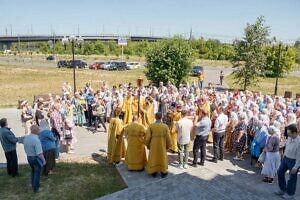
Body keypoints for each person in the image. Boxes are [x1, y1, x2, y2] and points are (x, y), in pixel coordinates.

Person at [275, 124, 300, 199]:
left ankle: (290, 193)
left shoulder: (299, 142)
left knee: (292, 178)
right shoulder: (289, 138)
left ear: (295, 133)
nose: (287, 135)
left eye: (289, 133)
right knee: (280, 172)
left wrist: (296, 167)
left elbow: (299, 156)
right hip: (286, 159)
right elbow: (287, 147)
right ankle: (282, 189)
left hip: (294, 161)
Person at [145, 112, 172, 178]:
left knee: (153, 157)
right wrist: (168, 146)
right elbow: (168, 138)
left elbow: (147, 138)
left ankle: (153, 171)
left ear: (155, 117)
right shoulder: (165, 126)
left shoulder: (151, 126)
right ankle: (163, 171)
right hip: (162, 145)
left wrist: (148, 145)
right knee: (162, 157)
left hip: (153, 146)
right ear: (161, 117)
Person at [23, 125, 46, 193]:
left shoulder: (26, 137)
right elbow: (39, 153)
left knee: (33, 171)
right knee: (37, 173)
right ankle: (36, 188)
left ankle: (33, 184)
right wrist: (44, 160)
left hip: (29, 157)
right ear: (37, 131)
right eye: (39, 129)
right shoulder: (36, 140)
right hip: (35, 158)